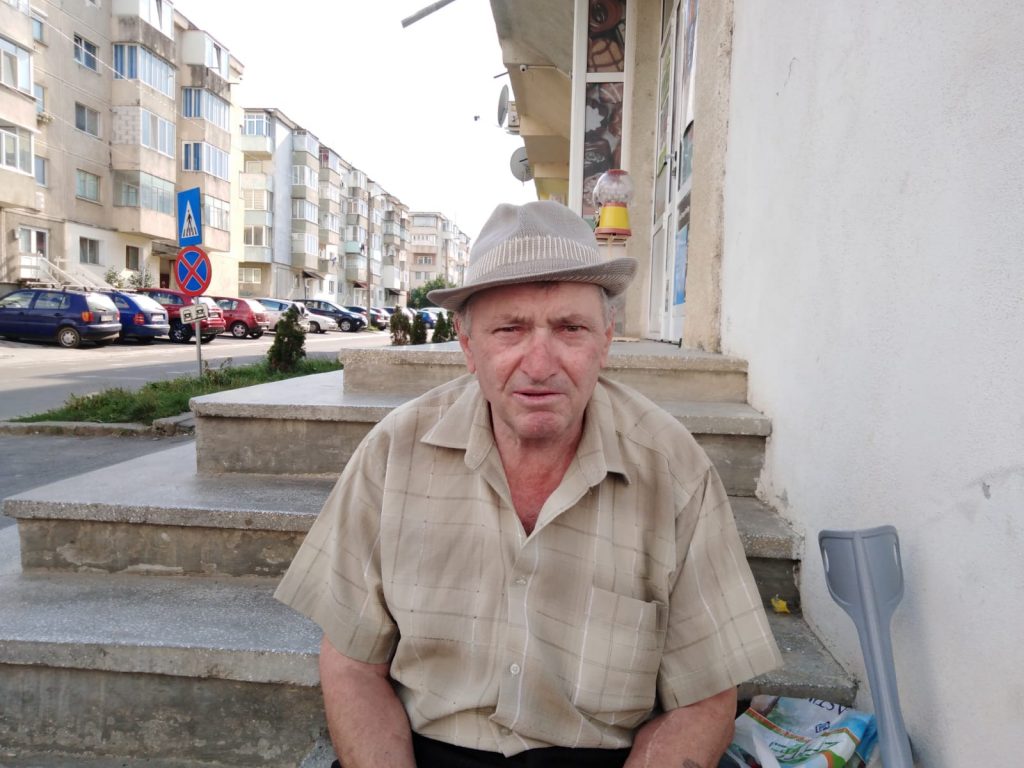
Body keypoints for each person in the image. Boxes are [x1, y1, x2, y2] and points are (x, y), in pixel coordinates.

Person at [274, 200, 782, 768]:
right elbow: (352, 664)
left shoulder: (674, 469)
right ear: (468, 346)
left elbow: (704, 698)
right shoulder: (393, 454)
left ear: (606, 340)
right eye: (510, 329)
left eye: (570, 328)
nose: (540, 365)